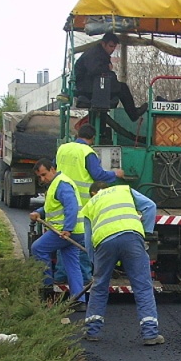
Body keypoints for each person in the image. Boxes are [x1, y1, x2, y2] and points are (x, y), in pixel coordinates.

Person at [80, 181, 162, 346]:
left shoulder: (90, 204)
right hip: (131, 237)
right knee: (143, 286)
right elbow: (150, 206)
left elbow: (88, 240)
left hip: (104, 242)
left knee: (100, 286)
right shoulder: (124, 190)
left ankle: (92, 331)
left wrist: (95, 263)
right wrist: (144, 232)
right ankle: (150, 334)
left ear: (93, 193)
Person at [53, 123, 125, 284]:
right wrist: (115, 173)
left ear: (78, 134)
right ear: (92, 138)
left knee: (63, 236)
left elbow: (53, 168)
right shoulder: (87, 152)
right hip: (82, 203)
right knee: (82, 241)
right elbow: (97, 174)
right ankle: (85, 278)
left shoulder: (63, 148)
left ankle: (60, 276)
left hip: (61, 200)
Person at [28, 158, 85, 303]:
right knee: (72, 265)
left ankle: (47, 291)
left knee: (38, 248)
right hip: (74, 232)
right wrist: (39, 212)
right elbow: (52, 208)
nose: (42, 179)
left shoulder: (62, 184)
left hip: (63, 232)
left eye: (44, 174)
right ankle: (79, 299)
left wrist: (68, 229)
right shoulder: (56, 184)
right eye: (39, 176)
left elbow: (71, 207)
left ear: (52, 169)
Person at [74, 31, 147, 122]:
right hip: (86, 87)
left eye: (114, 47)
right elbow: (93, 70)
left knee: (120, 87)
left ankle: (133, 113)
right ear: (103, 44)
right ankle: (133, 114)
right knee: (122, 88)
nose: (112, 49)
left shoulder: (99, 53)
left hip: (93, 85)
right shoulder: (94, 53)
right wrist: (107, 68)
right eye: (111, 46)